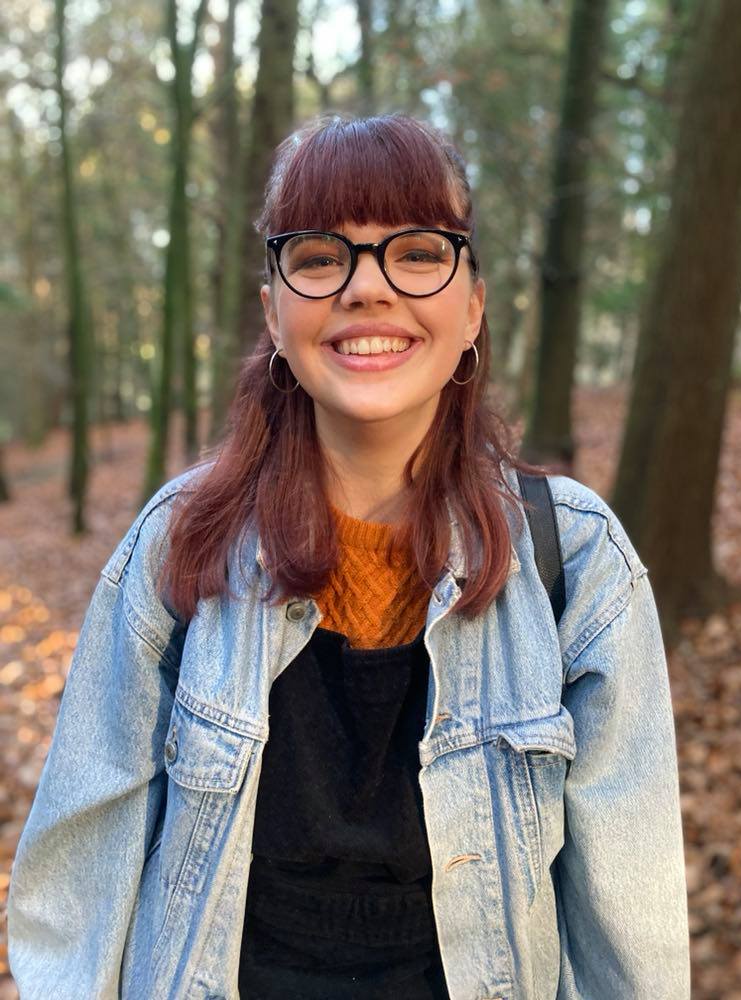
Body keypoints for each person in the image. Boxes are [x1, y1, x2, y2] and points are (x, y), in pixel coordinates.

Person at [7, 114, 690, 1000]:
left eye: (415, 252)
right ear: (274, 312)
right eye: (322, 256)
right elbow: (77, 903)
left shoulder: (578, 564)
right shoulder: (178, 549)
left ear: (474, 304)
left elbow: (629, 936)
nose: (367, 289)